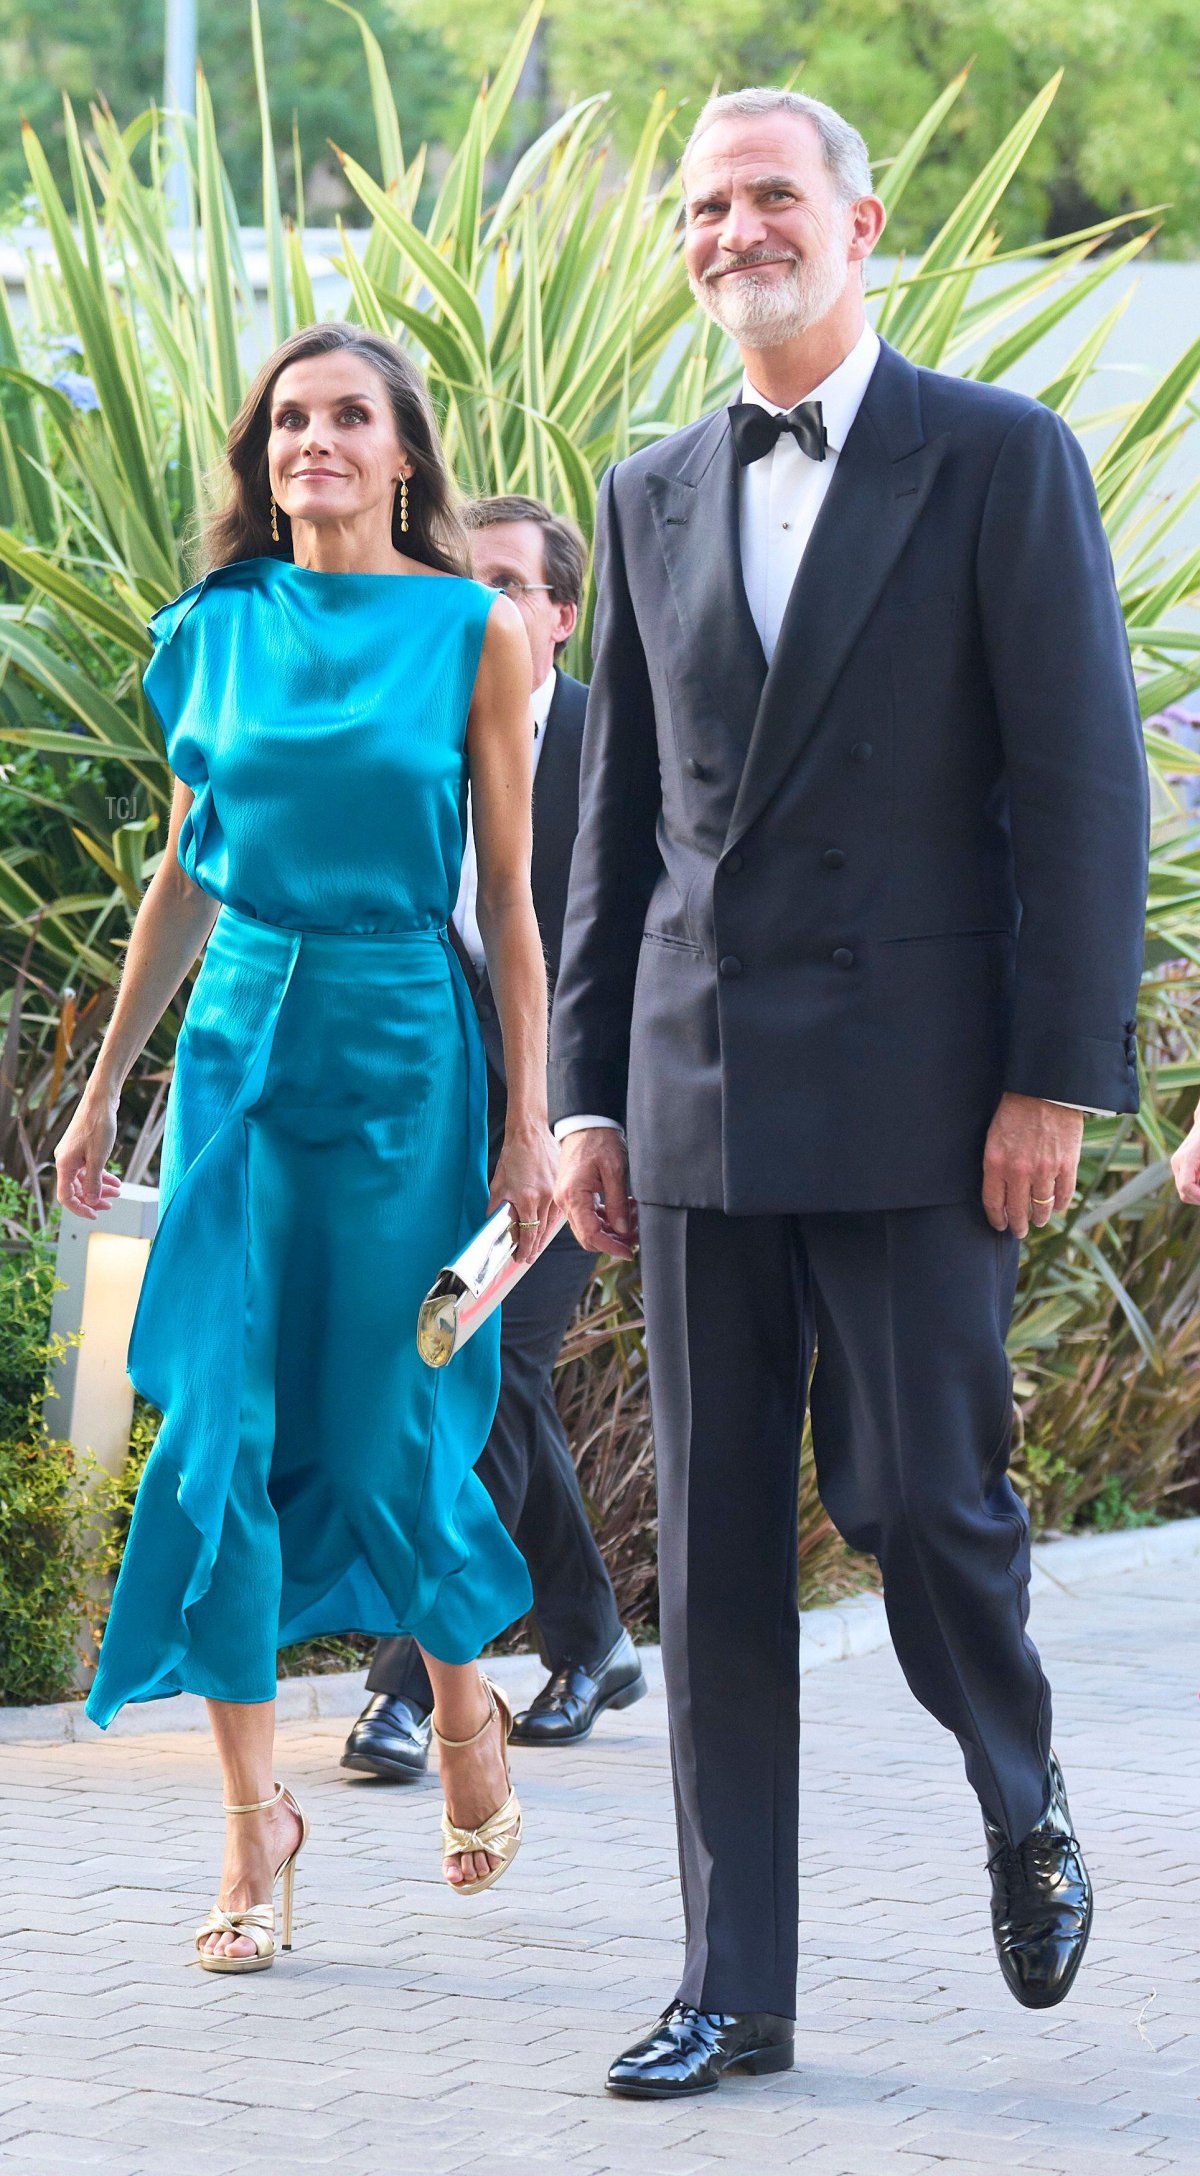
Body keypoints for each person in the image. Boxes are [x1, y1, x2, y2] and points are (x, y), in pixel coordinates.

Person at [550, 88, 1150, 2097]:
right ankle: (737, 1981)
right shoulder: (640, 492)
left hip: (922, 1093)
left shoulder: (997, 455)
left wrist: (1055, 1075)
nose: (738, 229)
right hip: (700, 1091)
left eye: (772, 194)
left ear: (861, 218)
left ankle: (1017, 1775)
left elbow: (1081, 789)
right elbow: (611, 832)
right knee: (717, 1557)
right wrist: (583, 1097)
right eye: (707, 205)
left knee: (922, 1501)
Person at [54, 323, 558, 1970]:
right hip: (238, 1047)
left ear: (407, 452)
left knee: (390, 1422)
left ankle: (465, 1699)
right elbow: (187, 874)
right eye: (290, 421)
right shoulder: (209, 628)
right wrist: (107, 1086)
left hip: (408, 1046)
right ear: (260, 456)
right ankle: (250, 1836)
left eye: (351, 417)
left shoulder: (473, 628)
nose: (316, 441)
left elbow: (507, 894)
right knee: (215, 1436)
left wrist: (529, 1119)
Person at [342, 495, 645, 1785]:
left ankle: (410, 1689)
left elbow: (633, 945)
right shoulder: (422, 731)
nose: (487, 604)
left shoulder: (610, 743)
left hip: (580, 1127)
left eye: (512, 584)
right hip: (438, 1120)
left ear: (564, 615)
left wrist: (591, 1123)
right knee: (475, 1366)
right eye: (467, 580)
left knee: (481, 1354)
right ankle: (590, 1641)